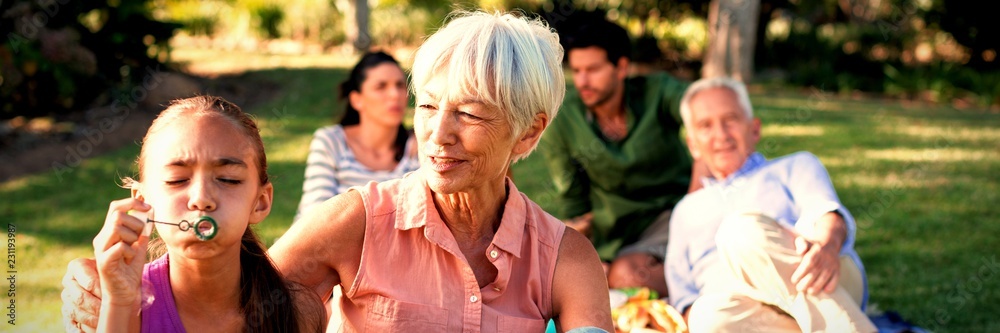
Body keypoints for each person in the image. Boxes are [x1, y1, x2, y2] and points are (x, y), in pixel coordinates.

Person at [63, 11, 614, 332]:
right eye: (427, 106)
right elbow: (244, 307)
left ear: (530, 131)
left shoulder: (566, 259)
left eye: (469, 114)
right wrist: (114, 291)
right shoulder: (356, 222)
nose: (436, 134)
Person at [89, 96, 326, 332]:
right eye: (177, 180)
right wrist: (117, 302)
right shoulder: (120, 304)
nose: (201, 198)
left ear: (260, 202)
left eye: (228, 179)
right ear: (141, 202)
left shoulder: (298, 312)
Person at [664, 77, 877, 332]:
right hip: (746, 310)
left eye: (730, 119)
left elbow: (829, 217)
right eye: (705, 126)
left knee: (738, 231)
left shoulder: (795, 165)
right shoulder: (685, 210)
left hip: (823, 277)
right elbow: (683, 297)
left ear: (754, 129)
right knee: (707, 318)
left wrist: (826, 246)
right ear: (692, 144)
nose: (721, 135)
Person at [537, 19, 706, 296]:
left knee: (626, 275)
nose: (582, 81)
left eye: (593, 70)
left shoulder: (657, 92)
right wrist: (587, 256)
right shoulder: (564, 121)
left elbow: (702, 110)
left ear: (622, 67)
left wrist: (696, 199)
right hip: (619, 235)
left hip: (675, 214)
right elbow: (575, 204)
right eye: (577, 70)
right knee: (616, 276)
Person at [294, 51, 420, 222]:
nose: (395, 94)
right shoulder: (331, 141)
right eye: (381, 86)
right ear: (357, 100)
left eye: (399, 85)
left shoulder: (419, 147)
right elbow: (314, 218)